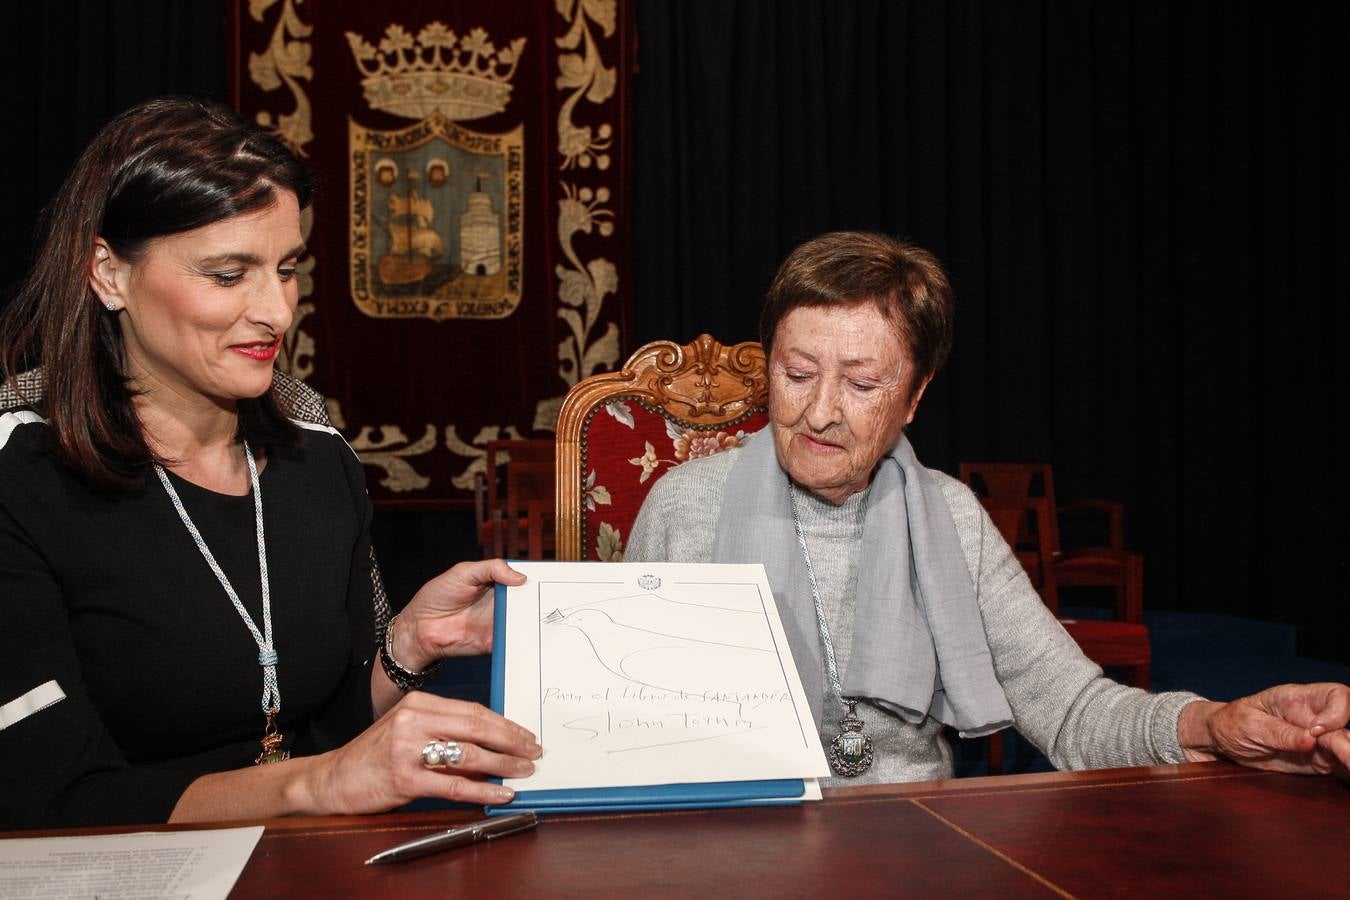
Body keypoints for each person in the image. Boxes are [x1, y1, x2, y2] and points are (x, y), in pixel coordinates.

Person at [625, 231, 1350, 784]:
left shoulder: (951, 519)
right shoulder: (686, 506)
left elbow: (1073, 713)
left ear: (914, 396)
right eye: (797, 373)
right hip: (727, 846)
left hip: (909, 854)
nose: (820, 412)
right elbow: (610, 715)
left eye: (862, 383)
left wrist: (1216, 724)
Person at [0, 97, 541, 830]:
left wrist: (411, 645)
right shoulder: (21, 475)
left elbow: (321, 731)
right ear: (108, 273)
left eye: (286, 269)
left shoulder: (314, 453)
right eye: (229, 275)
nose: (277, 311)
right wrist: (311, 787)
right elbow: (47, 796)